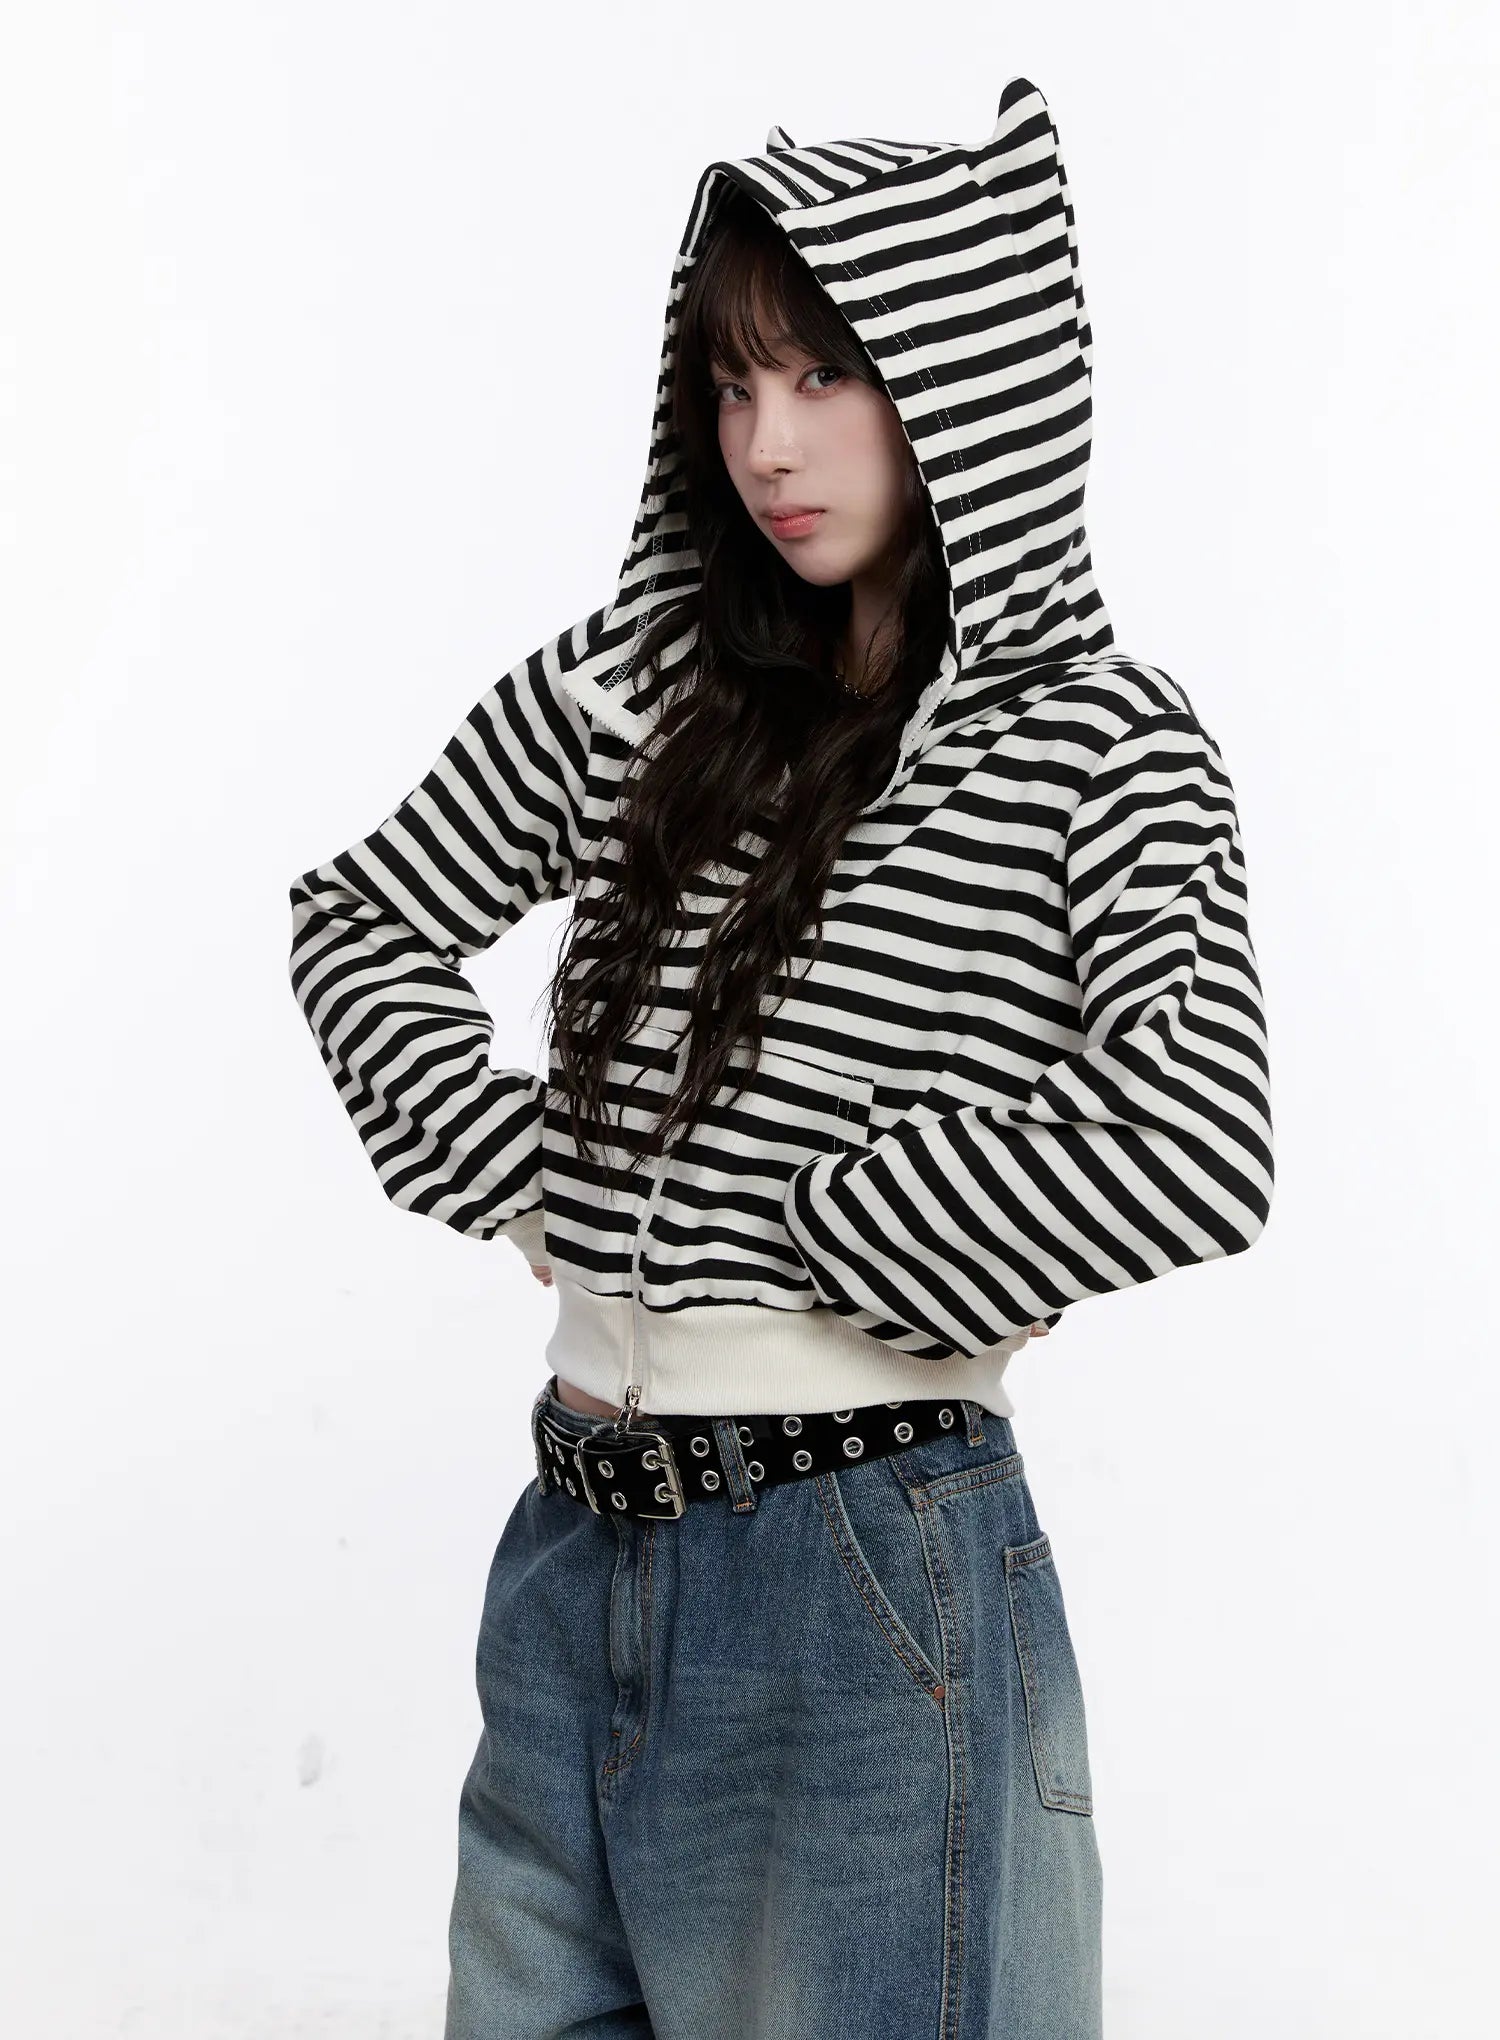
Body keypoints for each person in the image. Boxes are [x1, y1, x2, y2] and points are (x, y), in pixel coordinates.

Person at [288, 77, 1273, 2040]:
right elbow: (361, 914)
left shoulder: (1098, 741)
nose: (767, 444)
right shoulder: (636, 690)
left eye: (826, 374)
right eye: (733, 385)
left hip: (860, 1575)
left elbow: (1198, 1132)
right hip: (571, 1553)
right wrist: (529, 1170)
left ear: (965, 384)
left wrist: (852, 1226)